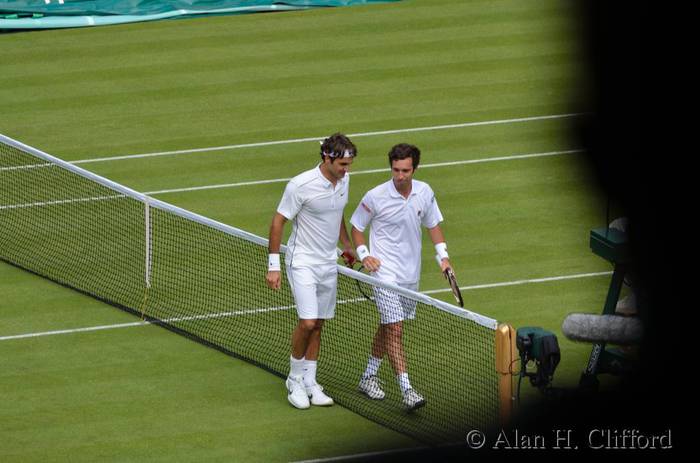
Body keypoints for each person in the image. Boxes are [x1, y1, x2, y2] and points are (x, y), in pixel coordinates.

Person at [350, 143, 452, 411]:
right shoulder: (375, 196)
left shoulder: (425, 192)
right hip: (383, 273)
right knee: (395, 329)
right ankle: (407, 390)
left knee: (388, 326)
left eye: (405, 170)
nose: (400, 176)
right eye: (395, 170)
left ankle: (367, 376)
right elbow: (357, 228)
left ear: (414, 169)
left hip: (410, 274)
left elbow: (434, 226)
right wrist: (364, 255)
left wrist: (444, 258)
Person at [266, 133, 357, 410]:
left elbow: (337, 212)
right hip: (302, 260)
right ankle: (294, 379)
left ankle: (310, 381)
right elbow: (278, 222)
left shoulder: (344, 180)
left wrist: (346, 245)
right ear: (327, 158)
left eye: (349, 165)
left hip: (328, 262)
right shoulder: (300, 185)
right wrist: (273, 266)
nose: (346, 170)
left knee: (318, 324)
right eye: (342, 164)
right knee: (307, 322)